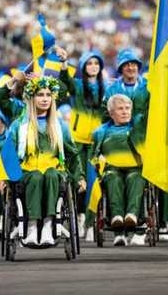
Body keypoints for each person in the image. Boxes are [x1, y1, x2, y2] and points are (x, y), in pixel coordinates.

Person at [0, 76, 86, 246]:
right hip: (28, 171)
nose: (44, 99)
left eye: (47, 95)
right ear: (31, 98)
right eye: (40, 95)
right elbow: (8, 152)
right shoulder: (19, 125)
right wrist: (2, 177)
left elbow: (73, 154)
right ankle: (31, 227)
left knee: (51, 174)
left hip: (55, 170)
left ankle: (47, 225)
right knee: (36, 176)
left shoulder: (60, 126)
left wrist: (79, 176)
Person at [57, 48, 107, 241]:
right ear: (83, 67)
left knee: (94, 182)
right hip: (77, 140)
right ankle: (78, 216)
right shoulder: (76, 85)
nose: (93, 67)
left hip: (97, 143)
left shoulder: (107, 88)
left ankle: (89, 222)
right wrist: (64, 63)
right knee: (78, 180)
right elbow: (65, 81)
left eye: (96, 63)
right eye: (89, 63)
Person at [92, 94, 146, 247]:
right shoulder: (100, 132)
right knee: (113, 180)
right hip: (111, 168)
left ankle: (131, 215)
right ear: (111, 113)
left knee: (135, 178)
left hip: (135, 167)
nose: (125, 112)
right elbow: (92, 156)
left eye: (128, 108)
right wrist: (97, 162)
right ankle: (117, 223)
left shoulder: (138, 128)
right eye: (120, 109)